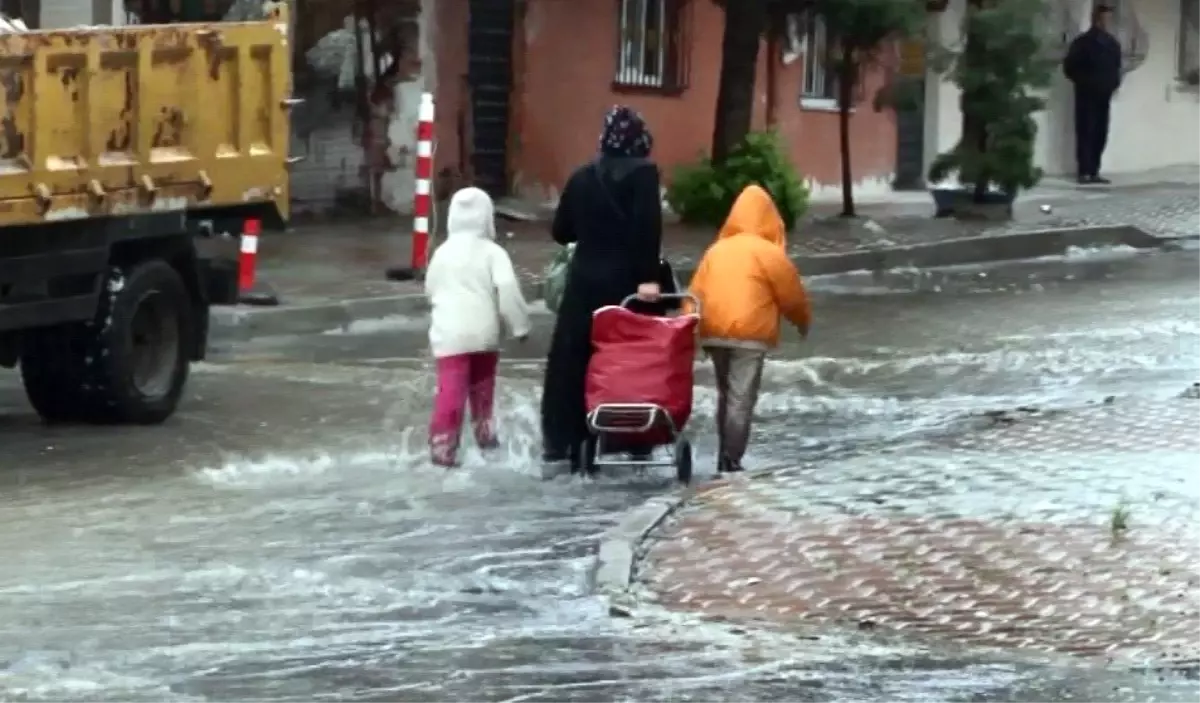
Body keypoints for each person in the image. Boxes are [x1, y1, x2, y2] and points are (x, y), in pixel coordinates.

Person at [540, 106, 664, 470]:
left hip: (583, 286)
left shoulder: (582, 177)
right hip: (628, 287)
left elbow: (561, 231)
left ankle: (565, 441)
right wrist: (649, 279)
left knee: (572, 361)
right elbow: (648, 229)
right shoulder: (644, 175)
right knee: (630, 362)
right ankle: (629, 435)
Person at [686, 185, 811, 473]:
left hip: (713, 330)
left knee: (724, 394)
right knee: (741, 398)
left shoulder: (715, 251)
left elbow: (695, 293)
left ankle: (723, 454)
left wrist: (688, 331)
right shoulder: (768, 253)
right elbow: (791, 295)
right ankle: (731, 460)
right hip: (750, 335)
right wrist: (802, 322)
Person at [424, 187, 531, 467]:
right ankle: (487, 441)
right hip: (484, 334)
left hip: (449, 336)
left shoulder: (441, 253)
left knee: (450, 391)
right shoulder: (493, 252)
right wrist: (519, 326)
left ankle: (443, 449)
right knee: (483, 390)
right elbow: (507, 290)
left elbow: (430, 289)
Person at [1063, 4, 1121, 185]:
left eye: (1110, 18)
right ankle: (1084, 171)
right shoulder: (1083, 43)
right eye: (1105, 18)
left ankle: (1095, 170)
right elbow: (1070, 67)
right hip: (1086, 94)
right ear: (1097, 19)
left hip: (1104, 95)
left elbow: (1116, 68)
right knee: (1086, 130)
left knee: (1100, 132)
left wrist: (1113, 84)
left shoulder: (1112, 44)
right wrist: (1085, 82)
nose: (1108, 22)